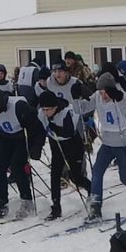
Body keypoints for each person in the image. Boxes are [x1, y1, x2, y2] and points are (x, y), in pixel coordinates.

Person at [85, 73, 126, 221]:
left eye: (105, 92)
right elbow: (82, 108)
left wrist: (118, 98)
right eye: (100, 92)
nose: (103, 96)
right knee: (97, 171)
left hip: (124, 141)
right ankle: (96, 205)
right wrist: (78, 96)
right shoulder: (97, 96)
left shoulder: (122, 96)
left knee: (124, 177)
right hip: (107, 141)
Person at [0, 84, 42, 219]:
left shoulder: (18, 107)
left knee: (16, 167)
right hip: (6, 137)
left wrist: (36, 147)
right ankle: (1, 202)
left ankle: (27, 200)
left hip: (23, 138)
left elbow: (37, 127)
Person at [37, 91, 91, 220]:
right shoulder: (41, 114)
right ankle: (56, 207)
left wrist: (53, 126)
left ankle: (92, 189)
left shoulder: (67, 112)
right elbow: (40, 130)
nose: (45, 112)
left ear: (55, 107)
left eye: (48, 109)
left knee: (76, 177)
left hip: (73, 144)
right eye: (43, 109)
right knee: (55, 175)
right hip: (56, 144)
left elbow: (67, 132)